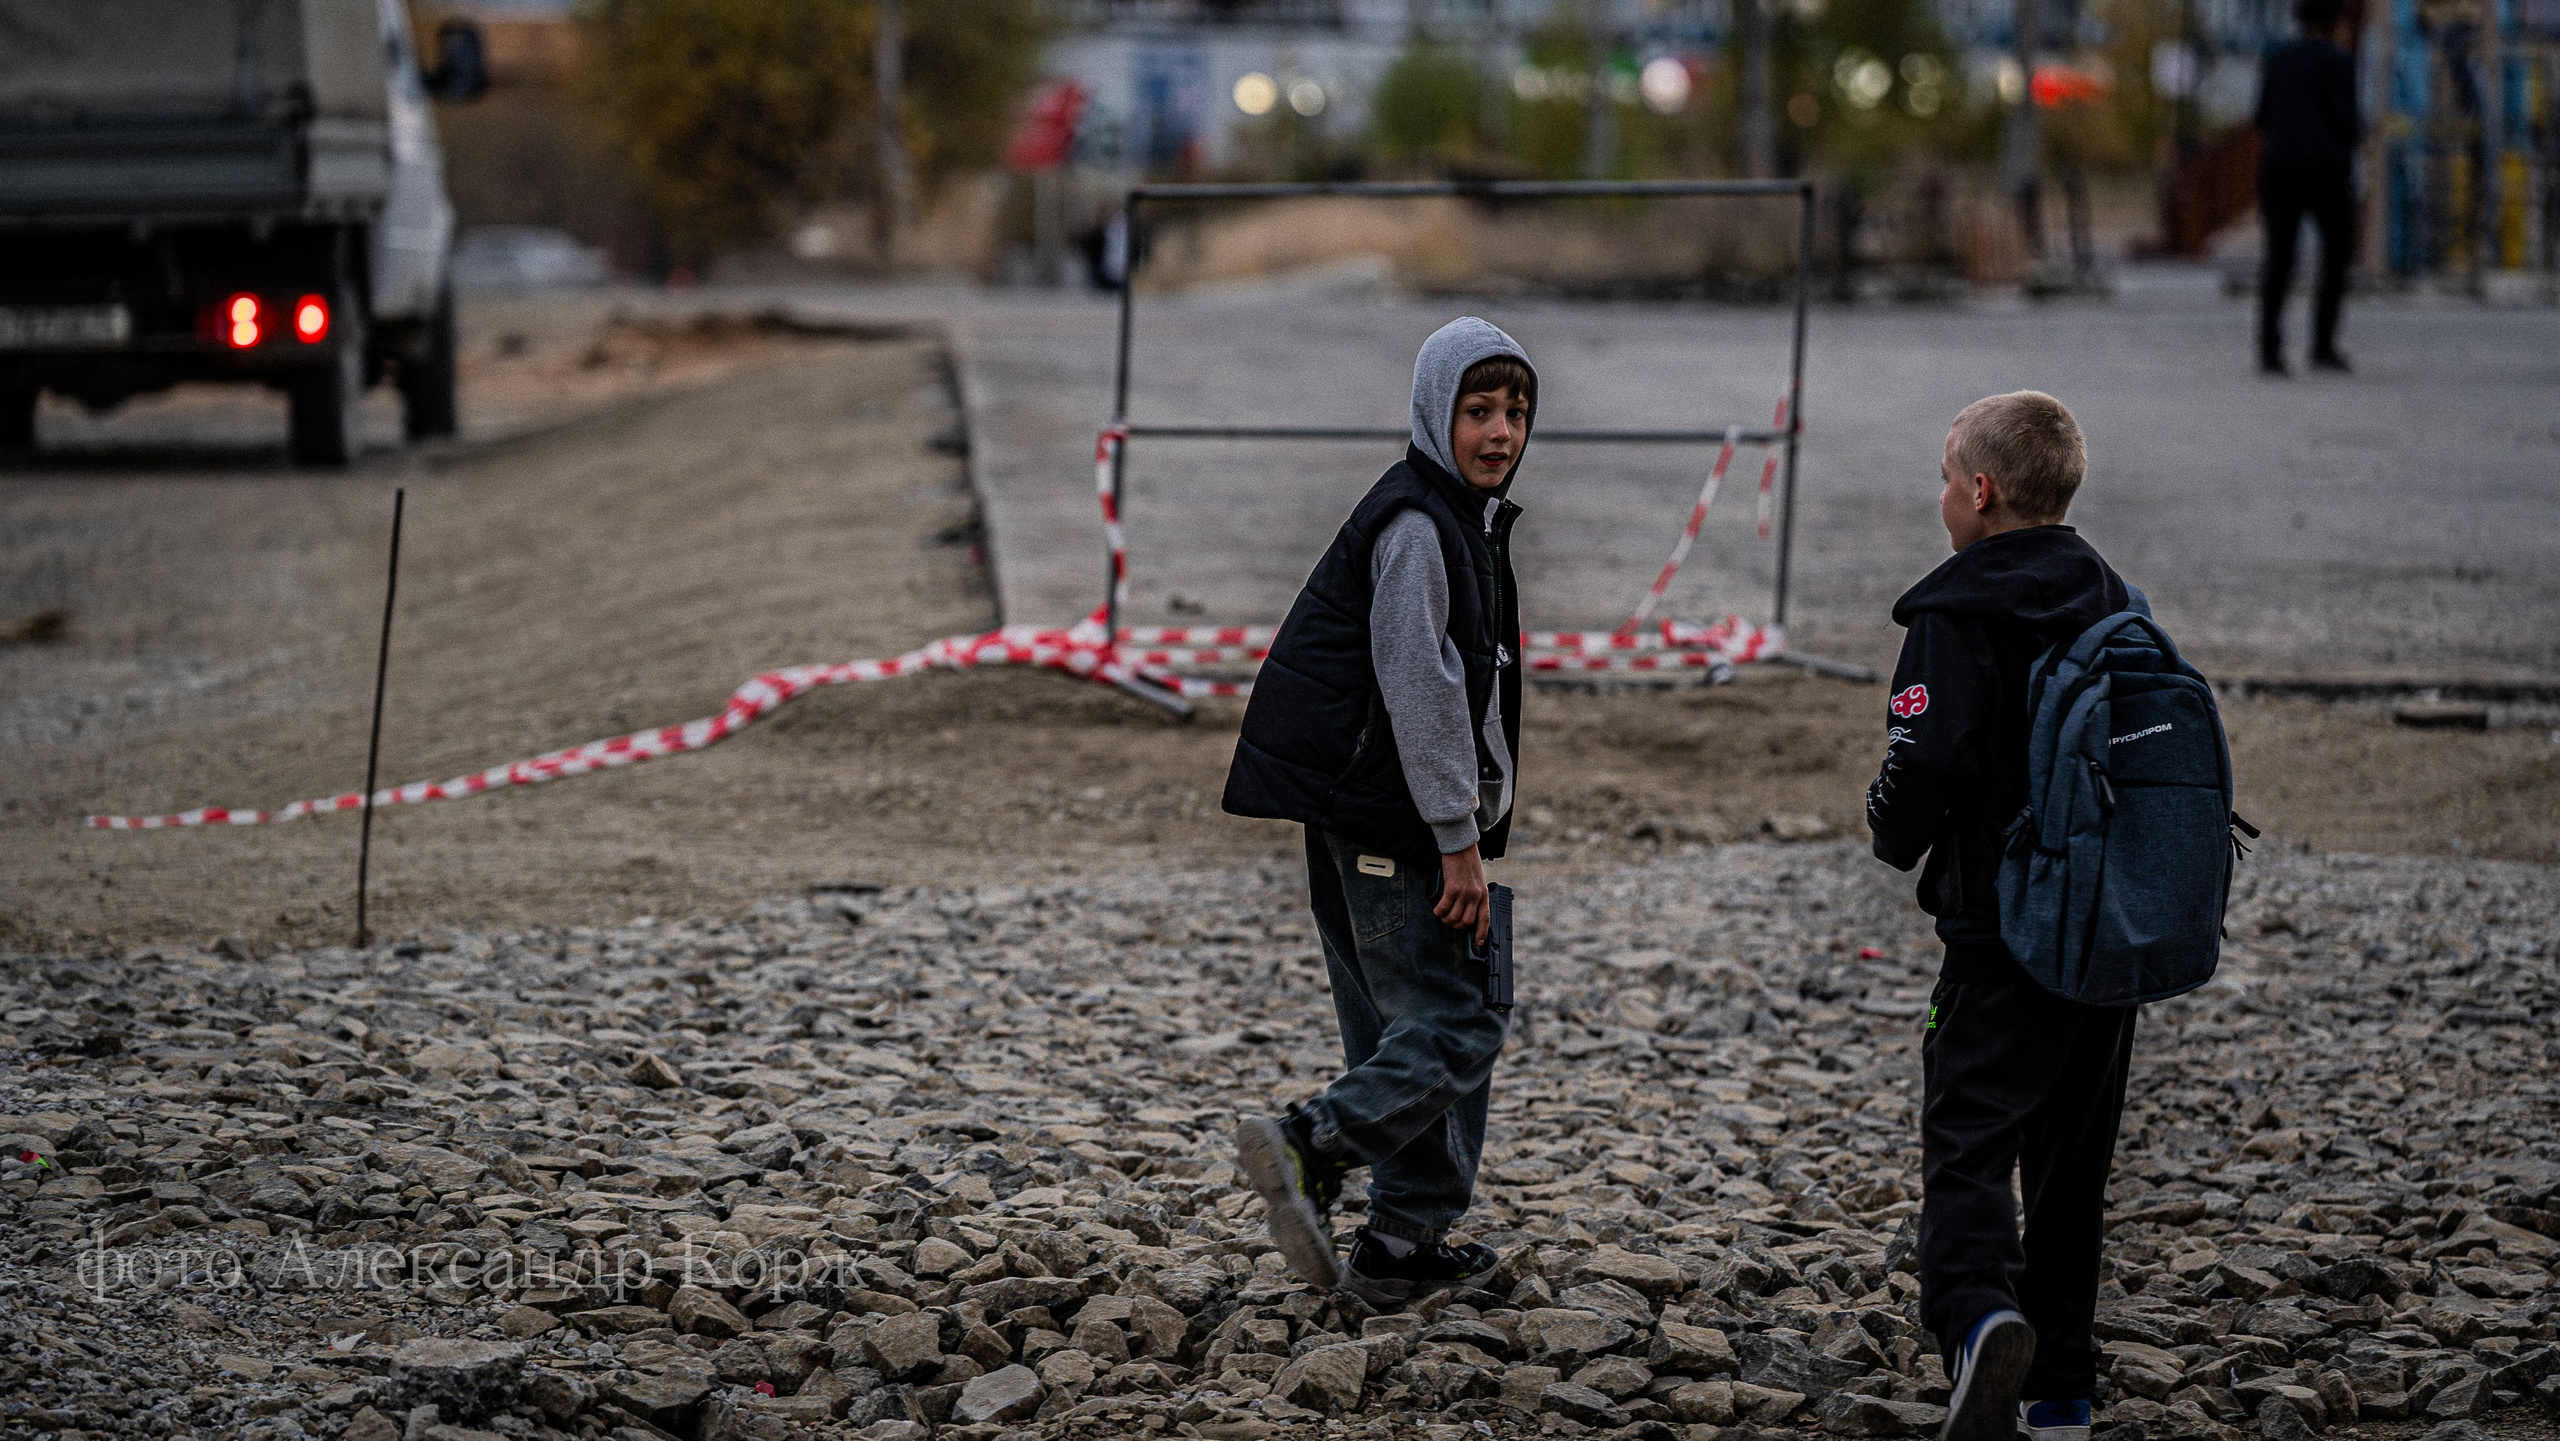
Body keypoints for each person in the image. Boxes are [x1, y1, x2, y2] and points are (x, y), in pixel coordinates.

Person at [1221, 316, 1530, 1306]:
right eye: (1477, 410)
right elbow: (1421, 686)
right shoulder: (1417, 525)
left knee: (1400, 1035)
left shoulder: (1458, 517)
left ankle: (1401, 1247)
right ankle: (1310, 1144)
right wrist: (1459, 840)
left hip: (1366, 817)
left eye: (1515, 410)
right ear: (1434, 412)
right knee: (1461, 1019)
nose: (1499, 432)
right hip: (1399, 825)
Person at [1865, 392, 2140, 1441]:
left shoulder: (1955, 610)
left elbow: (1923, 758)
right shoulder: (2117, 597)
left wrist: (1891, 834)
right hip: (2106, 939)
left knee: (1968, 1138)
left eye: (1945, 477)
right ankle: (2061, 1389)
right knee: (2072, 1167)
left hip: (1997, 935)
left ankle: (1979, 1316)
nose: (1940, 496)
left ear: (1980, 492)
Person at [2254, 0, 2363, 375]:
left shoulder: (2278, 59)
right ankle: (2322, 345)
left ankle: (2269, 349)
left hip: (2279, 169)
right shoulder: (2339, 62)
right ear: (2334, 24)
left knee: (2279, 258)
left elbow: (2261, 116)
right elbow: (2348, 122)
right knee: (2334, 257)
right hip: (2326, 172)